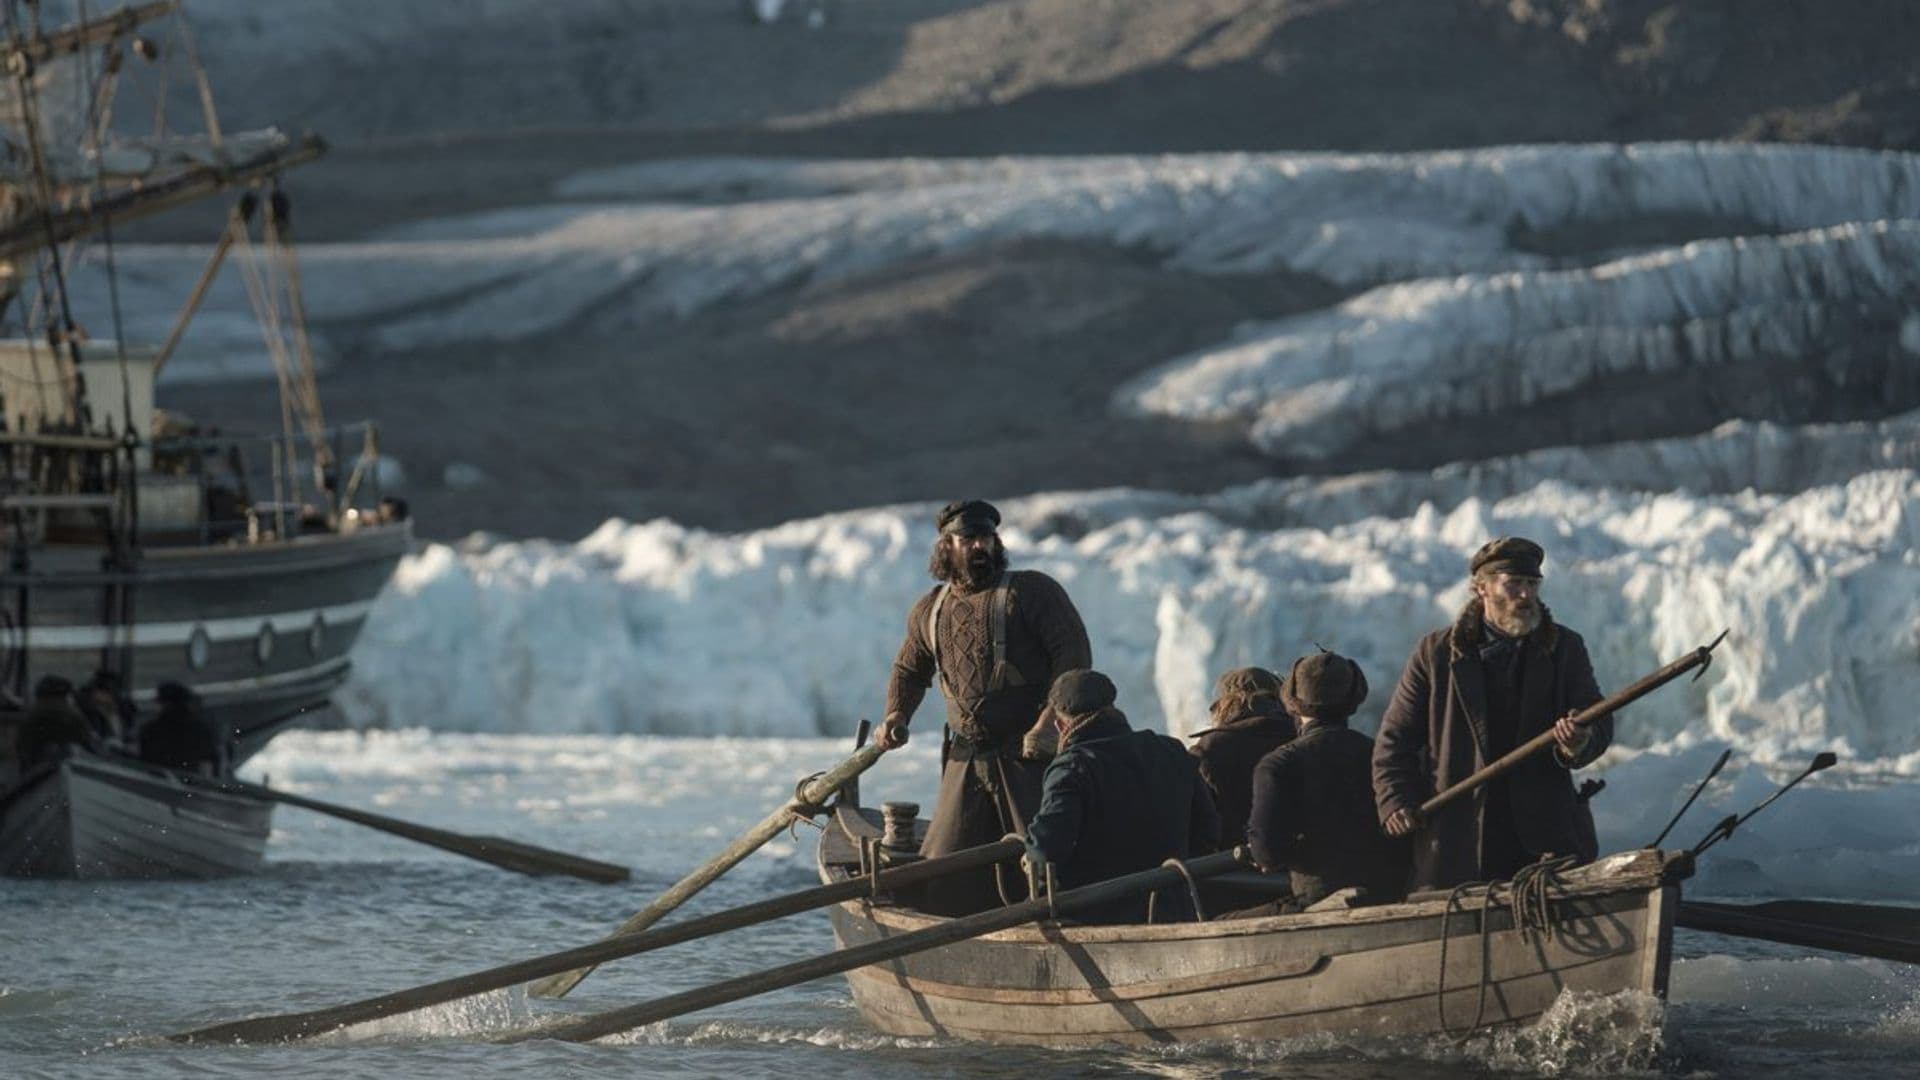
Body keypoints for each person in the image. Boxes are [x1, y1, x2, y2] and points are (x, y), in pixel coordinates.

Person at [878, 498, 1092, 914]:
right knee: (942, 873)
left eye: (987, 538)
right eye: (969, 538)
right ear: (947, 546)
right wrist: (896, 714)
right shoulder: (930, 609)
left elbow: (1073, 655)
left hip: (1029, 757)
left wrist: (1051, 719)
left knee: (1048, 869)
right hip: (965, 760)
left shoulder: (1031, 592)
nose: (980, 547)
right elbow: (909, 669)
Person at [1372, 537, 1612, 890]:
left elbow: (1599, 719)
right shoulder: (1436, 654)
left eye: (1532, 584)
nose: (1526, 595)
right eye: (1513, 584)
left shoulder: (1565, 647)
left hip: (1544, 839)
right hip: (1459, 840)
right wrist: (1395, 800)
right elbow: (1395, 741)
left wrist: (1578, 742)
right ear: (1481, 588)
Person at [1023, 670, 1220, 925]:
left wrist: (1031, 859)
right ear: (1113, 707)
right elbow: (1207, 832)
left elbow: (1044, 851)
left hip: (1096, 921)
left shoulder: (1071, 769)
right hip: (1172, 911)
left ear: (1060, 726)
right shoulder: (1171, 751)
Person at [1245, 651, 1406, 911]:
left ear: (1293, 701)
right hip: (1389, 894)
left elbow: (1267, 853)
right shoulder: (1382, 757)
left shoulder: (1278, 764)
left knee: (1223, 921)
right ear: (1353, 700)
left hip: (1317, 904)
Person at [1187, 666, 1294, 851]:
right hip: (1298, 866)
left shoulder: (1208, 749)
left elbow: (1199, 823)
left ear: (1223, 704)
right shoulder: (1300, 739)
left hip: (1227, 869)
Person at [138, 682, 225, 775]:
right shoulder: (201, 729)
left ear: (165, 704)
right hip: (190, 782)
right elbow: (213, 760)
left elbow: (145, 761)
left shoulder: (151, 730)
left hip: (159, 782)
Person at [15, 675, 94, 770]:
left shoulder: (31, 715)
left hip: (37, 773)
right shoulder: (73, 715)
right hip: (71, 770)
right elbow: (88, 745)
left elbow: (22, 749)